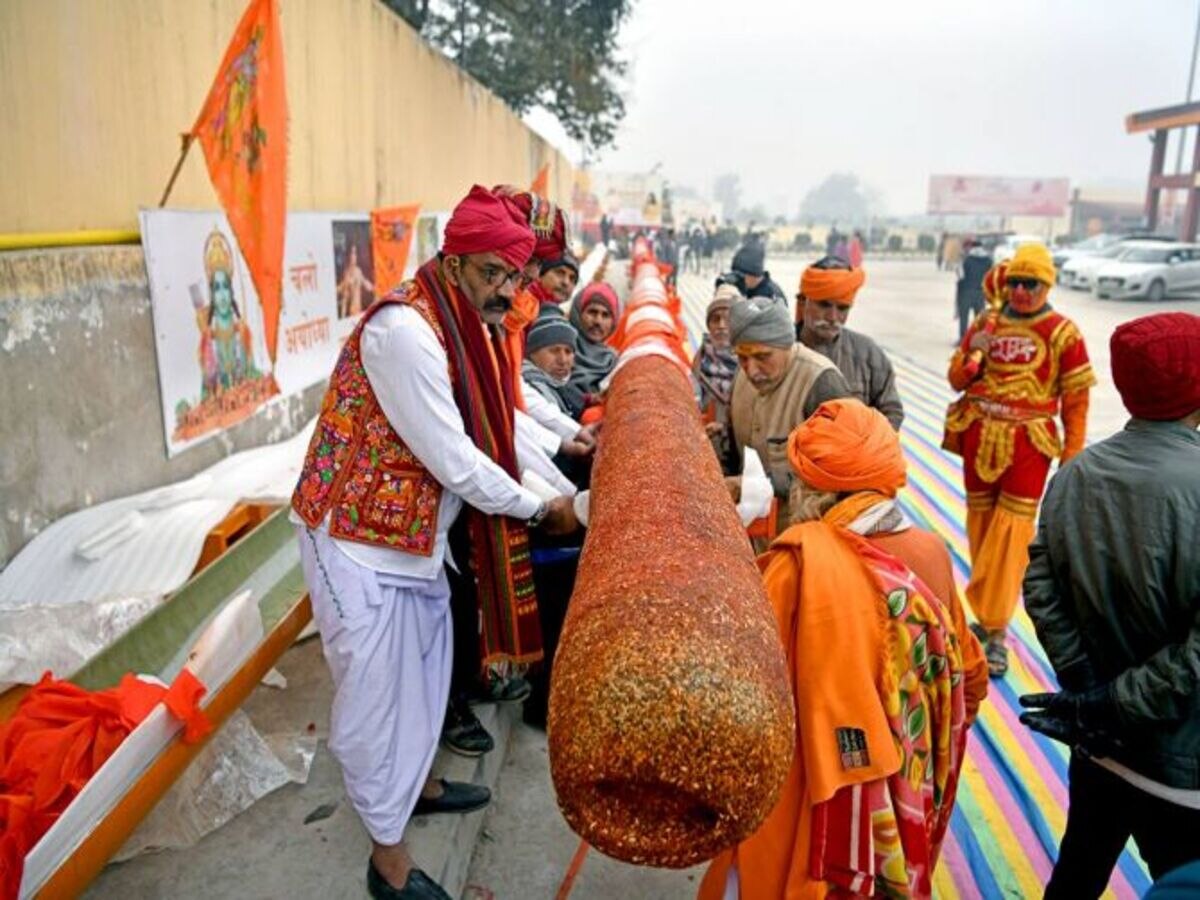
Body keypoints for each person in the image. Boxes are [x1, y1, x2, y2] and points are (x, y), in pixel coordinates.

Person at [290, 185, 578, 900]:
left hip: (417, 538)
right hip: (352, 541)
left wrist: (563, 474)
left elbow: (501, 430)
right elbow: (456, 458)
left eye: (514, 277)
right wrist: (543, 510)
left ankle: (412, 786)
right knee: (373, 689)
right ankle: (387, 858)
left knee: (424, 673)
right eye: (493, 275)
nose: (506, 291)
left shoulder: (464, 326)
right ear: (453, 263)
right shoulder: (407, 334)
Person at [699, 399, 971, 900]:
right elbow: (967, 678)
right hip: (900, 779)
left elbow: (747, 694)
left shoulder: (798, 564)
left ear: (812, 490)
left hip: (805, 786)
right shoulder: (931, 552)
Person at [1020, 312, 1200, 898]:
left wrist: (1087, 687)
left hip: (1099, 748)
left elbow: (1041, 584)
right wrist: (1113, 702)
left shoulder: (1075, 474)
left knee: (1076, 874)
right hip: (1179, 766)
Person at [943, 243, 1095, 678]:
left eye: (1031, 284)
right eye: (1015, 282)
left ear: (1048, 285)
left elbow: (1077, 404)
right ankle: (985, 615)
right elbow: (956, 380)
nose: (1022, 291)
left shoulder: (1064, 332)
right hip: (978, 435)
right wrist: (976, 354)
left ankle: (994, 628)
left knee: (1012, 536)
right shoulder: (986, 322)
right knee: (982, 528)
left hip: (1029, 444)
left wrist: (1072, 457)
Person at [724, 296, 851, 532]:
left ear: (787, 346)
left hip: (804, 540)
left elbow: (839, 473)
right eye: (742, 357)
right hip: (752, 533)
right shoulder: (740, 379)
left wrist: (760, 485)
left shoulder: (821, 383)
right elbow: (733, 453)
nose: (751, 370)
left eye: (763, 357)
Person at [795, 256, 904, 430]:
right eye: (824, 305)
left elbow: (891, 411)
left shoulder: (868, 354)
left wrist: (867, 447)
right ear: (803, 302)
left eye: (842, 308)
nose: (832, 317)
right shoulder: (781, 353)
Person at [693, 283, 742, 472]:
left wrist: (726, 426)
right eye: (715, 319)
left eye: (727, 319)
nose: (721, 326)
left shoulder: (751, 363)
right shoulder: (699, 360)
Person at [522, 307, 586, 421]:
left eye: (568, 352)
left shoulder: (561, 386)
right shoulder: (531, 387)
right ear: (532, 353)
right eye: (554, 351)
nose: (562, 360)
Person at [567, 281, 619, 399]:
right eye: (592, 312)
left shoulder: (612, 361)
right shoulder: (559, 346)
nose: (598, 321)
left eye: (605, 315)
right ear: (578, 313)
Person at [716, 242, 787, 305]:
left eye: (740, 274)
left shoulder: (772, 296)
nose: (738, 278)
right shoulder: (748, 287)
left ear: (751, 274)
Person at [956, 239, 991, 342]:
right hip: (980, 293)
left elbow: (960, 275)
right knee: (980, 319)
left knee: (964, 317)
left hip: (966, 292)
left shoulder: (966, 259)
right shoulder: (989, 260)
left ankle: (963, 340)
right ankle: (978, 341)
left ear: (972, 248)